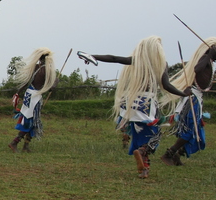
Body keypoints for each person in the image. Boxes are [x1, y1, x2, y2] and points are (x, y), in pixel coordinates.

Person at [78, 36, 191, 178]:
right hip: (146, 104)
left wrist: (93, 56)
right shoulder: (161, 64)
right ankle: (142, 152)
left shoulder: (137, 60)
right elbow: (167, 85)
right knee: (155, 135)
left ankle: (144, 169)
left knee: (140, 135)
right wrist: (183, 93)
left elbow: (114, 58)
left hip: (131, 103)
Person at [160, 38, 216, 166]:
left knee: (196, 132)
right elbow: (197, 69)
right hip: (192, 99)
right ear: (211, 50)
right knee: (190, 130)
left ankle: (177, 155)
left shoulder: (209, 62)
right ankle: (169, 154)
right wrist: (209, 54)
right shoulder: (204, 59)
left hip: (197, 99)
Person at [8, 48, 58, 152]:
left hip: (29, 95)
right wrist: (55, 83)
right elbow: (50, 87)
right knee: (31, 121)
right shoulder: (46, 70)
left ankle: (26, 146)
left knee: (31, 120)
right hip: (34, 98)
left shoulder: (36, 67)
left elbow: (27, 82)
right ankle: (15, 142)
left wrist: (18, 93)